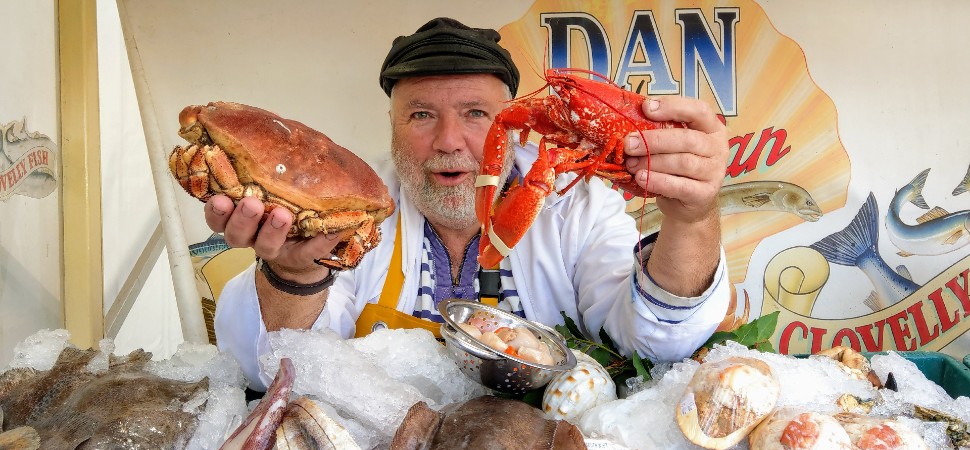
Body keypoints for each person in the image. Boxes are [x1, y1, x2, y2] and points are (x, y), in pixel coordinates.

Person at [208, 17, 731, 391]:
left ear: (517, 124)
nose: (449, 141)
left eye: (477, 113)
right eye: (420, 116)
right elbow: (273, 368)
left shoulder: (578, 206)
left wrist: (693, 218)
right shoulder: (352, 207)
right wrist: (293, 277)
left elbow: (654, 342)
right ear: (390, 128)